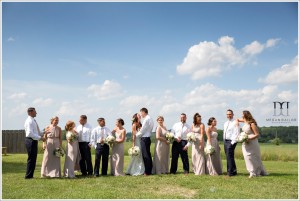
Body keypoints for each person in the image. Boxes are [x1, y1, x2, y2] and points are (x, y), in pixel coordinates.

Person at [237, 110, 268, 178]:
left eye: (242, 114)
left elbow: (257, 134)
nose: (241, 115)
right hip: (245, 142)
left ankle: (254, 172)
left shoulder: (252, 124)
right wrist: (237, 122)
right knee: (247, 157)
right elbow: (238, 119)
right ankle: (252, 171)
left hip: (252, 142)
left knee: (253, 157)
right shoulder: (245, 121)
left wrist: (249, 138)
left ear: (245, 115)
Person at [24, 107, 45, 179]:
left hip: (33, 141)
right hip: (30, 141)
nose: (36, 113)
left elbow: (37, 132)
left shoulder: (33, 120)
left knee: (33, 158)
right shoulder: (29, 121)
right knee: (31, 158)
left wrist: (44, 132)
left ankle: (30, 175)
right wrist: (41, 138)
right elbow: (30, 133)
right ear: (30, 112)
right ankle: (28, 176)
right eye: (34, 111)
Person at [223, 109, 239, 176]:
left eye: (230, 114)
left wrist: (232, 142)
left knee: (229, 156)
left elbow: (237, 133)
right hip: (225, 141)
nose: (228, 115)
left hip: (231, 141)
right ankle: (234, 171)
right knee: (229, 156)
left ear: (233, 114)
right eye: (227, 114)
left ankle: (230, 173)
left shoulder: (235, 122)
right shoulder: (225, 123)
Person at [139, 108, 154, 176]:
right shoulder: (150, 118)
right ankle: (149, 170)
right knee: (148, 154)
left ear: (144, 112)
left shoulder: (146, 119)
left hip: (144, 138)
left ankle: (147, 171)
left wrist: (136, 135)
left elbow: (143, 129)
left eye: (141, 113)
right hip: (148, 137)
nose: (141, 114)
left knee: (145, 155)